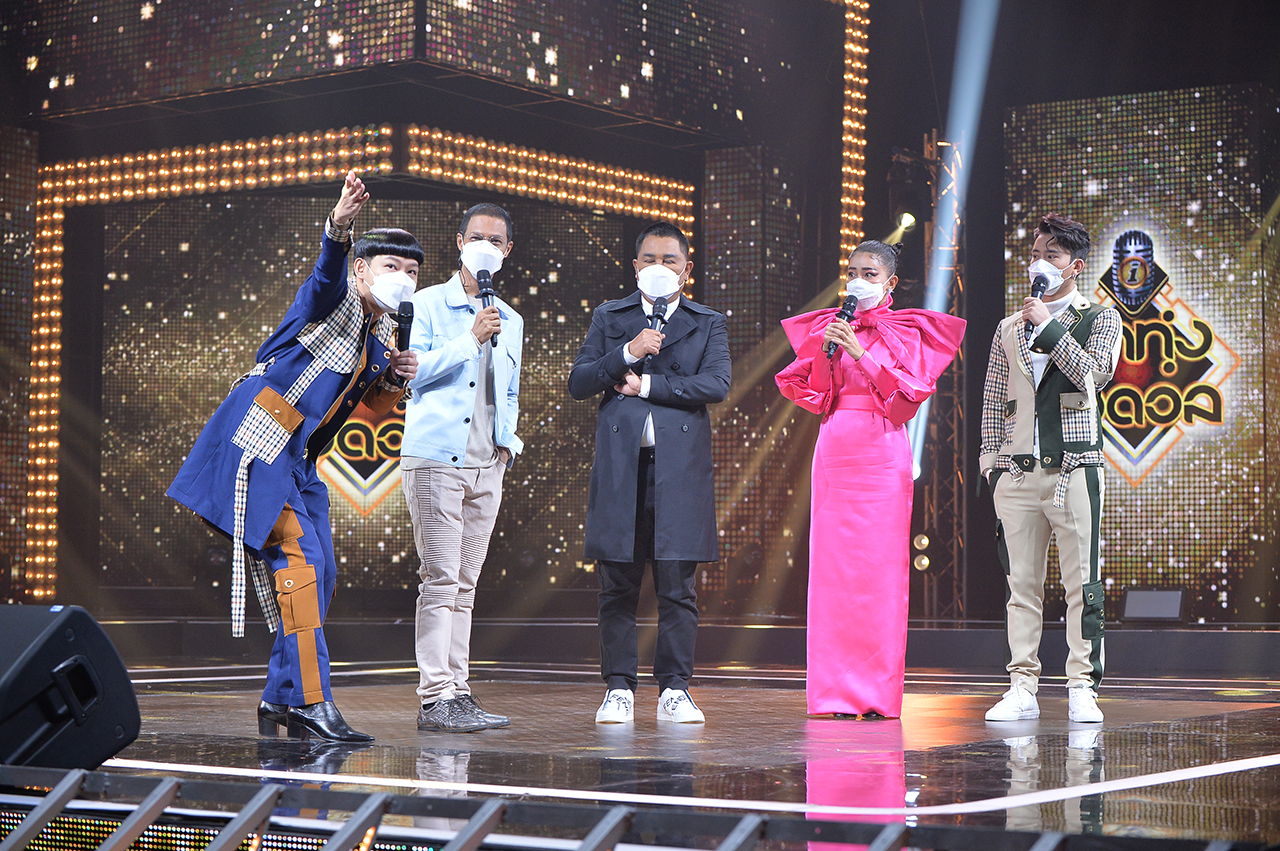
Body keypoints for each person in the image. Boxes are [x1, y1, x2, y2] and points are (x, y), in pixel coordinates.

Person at [167, 171, 420, 742]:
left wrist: (392, 378)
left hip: (301, 461)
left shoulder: (379, 339)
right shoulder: (332, 303)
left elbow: (367, 412)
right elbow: (325, 273)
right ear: (362, 269)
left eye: (411, 272)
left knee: (321, 573)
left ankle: (280, 698)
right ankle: (309, 700)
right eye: (391, 267)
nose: (402, 280)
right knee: (300, 568)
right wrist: (339, 226)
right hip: (261, 442)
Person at [776, 240, 964, 719]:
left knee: (878, 576)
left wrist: (861, 353)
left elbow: (904, 400)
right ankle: (834, 695)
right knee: (833, 576)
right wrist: (827, 353)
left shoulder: (905, 331)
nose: (858, 280)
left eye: (870, 273)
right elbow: (818, 395)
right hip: (835, 448)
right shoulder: (832, 326)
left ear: (890, 282)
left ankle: (877, 695)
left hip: (881, 452)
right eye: (853, 271)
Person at [568, 222, 731, 725]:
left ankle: (675, 689)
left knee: (677, 588)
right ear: (635, 266)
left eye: (670, 260)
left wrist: (646, 387)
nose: (659, 268)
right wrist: (628, 353)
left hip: (679, 472)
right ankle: (618, 688)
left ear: (687, 270)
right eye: (650, 259)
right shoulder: (610, 316)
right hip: (622, 468)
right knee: (617, 585)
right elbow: (579, 381)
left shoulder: (707, 322)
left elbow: (717, 383)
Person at [980, 212, 1121, 723]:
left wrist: (1049, 326)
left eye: (1052, 255)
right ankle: (1022, 685)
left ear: (1074, 266)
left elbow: (1093, 375)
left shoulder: (1100, 318)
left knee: (1083, 584)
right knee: (1021, 587)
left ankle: (1082, 685)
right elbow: (994, 398)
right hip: (1017, 473)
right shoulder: (1008, 327)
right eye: (1036, 254)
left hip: (1074, 469)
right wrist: (991, 464)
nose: (1039, 263)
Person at [401, 203, 523, 733]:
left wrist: (505, 447)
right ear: (459, 242)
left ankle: (459, 690)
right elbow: (412, 372)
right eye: (477, 237)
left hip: (486, 466)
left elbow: (509, 392)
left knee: (466, 585)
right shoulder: (426, 303)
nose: (485, 247)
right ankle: (435, 698)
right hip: (436, 461)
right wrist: (470, 338)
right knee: (440, 580)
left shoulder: (512, 320)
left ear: (507, 251)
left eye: (495, 241)